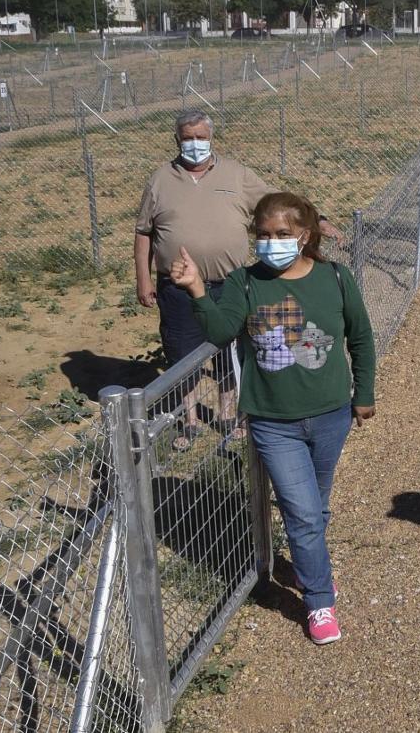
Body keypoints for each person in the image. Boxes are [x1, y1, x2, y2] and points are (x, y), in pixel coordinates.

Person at [169, 192, 376, 645]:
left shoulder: (336, 279)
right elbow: (222, 330)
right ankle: (320, 600)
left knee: (315, 508)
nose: (271, 242)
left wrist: (364, 392)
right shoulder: (246, 282)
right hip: (272, 422)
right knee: (302, 513)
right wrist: (198, 290)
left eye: (282, 234)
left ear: (305, 236)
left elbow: (360, 336)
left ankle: (307, 567)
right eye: (263, 235)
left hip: (330, 416)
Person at [135, 110, 340, 450]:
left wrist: (320, 220)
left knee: (230, 350)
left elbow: (278, 204)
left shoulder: (237, 174)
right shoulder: (160, 180)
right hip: (177, 287)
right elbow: (143, 233)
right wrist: (143, 278)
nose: (195, 144)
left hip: (228, 283)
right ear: (176, 140)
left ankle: (229, 414)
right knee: (183, 353)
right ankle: (191, 420)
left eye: (201, 137)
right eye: (188, 137)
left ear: (212, 138)